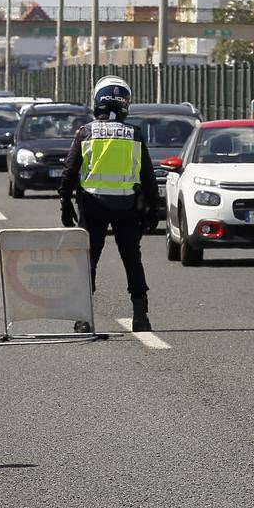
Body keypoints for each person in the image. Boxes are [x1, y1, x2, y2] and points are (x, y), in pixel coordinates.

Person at [58, 76, 159, 333]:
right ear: (126, 103)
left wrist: (65, 202)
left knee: (88, 262)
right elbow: (148, 176)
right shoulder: (134, 135)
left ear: (97, 101)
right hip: (126, 207)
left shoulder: (85, 132)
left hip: (92, 206)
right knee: (132, 261)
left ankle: (83, 319)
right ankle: (141, 317)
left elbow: (69, 172)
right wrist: (152, 208)